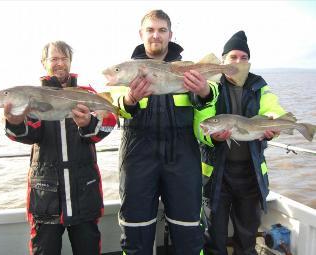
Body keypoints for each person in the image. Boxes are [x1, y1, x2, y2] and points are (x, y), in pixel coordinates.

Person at [3, 41, 117, 255]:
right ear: (44, 63)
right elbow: (29, 135)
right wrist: (15, 122)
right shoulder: (32, 96)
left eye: (64, 58)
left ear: (70, 62)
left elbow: (110, 123)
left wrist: (89, 124)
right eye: (54, 59)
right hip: (45, 195)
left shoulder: (87, 92)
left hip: (84, 192)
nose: (60, 63)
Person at [115, 10, 212, 255]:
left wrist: (205, 93)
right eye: (150, 30)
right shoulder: (125, 71)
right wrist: (129, 99)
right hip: (137, 159)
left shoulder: (189, 70)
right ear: (141, 34)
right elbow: (112, 106)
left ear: (170, 34)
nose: (155, 35)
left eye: (161, 30)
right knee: (135, 231)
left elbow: (206, 113)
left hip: (183, 159)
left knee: (189, 232)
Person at [197, 31, 286, 255]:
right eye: (233, 57)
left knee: (247, 239)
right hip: (216, 175)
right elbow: (200, 121)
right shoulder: (210, 85)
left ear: (249, 61)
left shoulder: (259, 86)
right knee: (213, 237)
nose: (238, 62)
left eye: (243, 57)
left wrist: (274, 121)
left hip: (250, 175)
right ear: (223, 60)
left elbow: (273, 108)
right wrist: (211, 136)